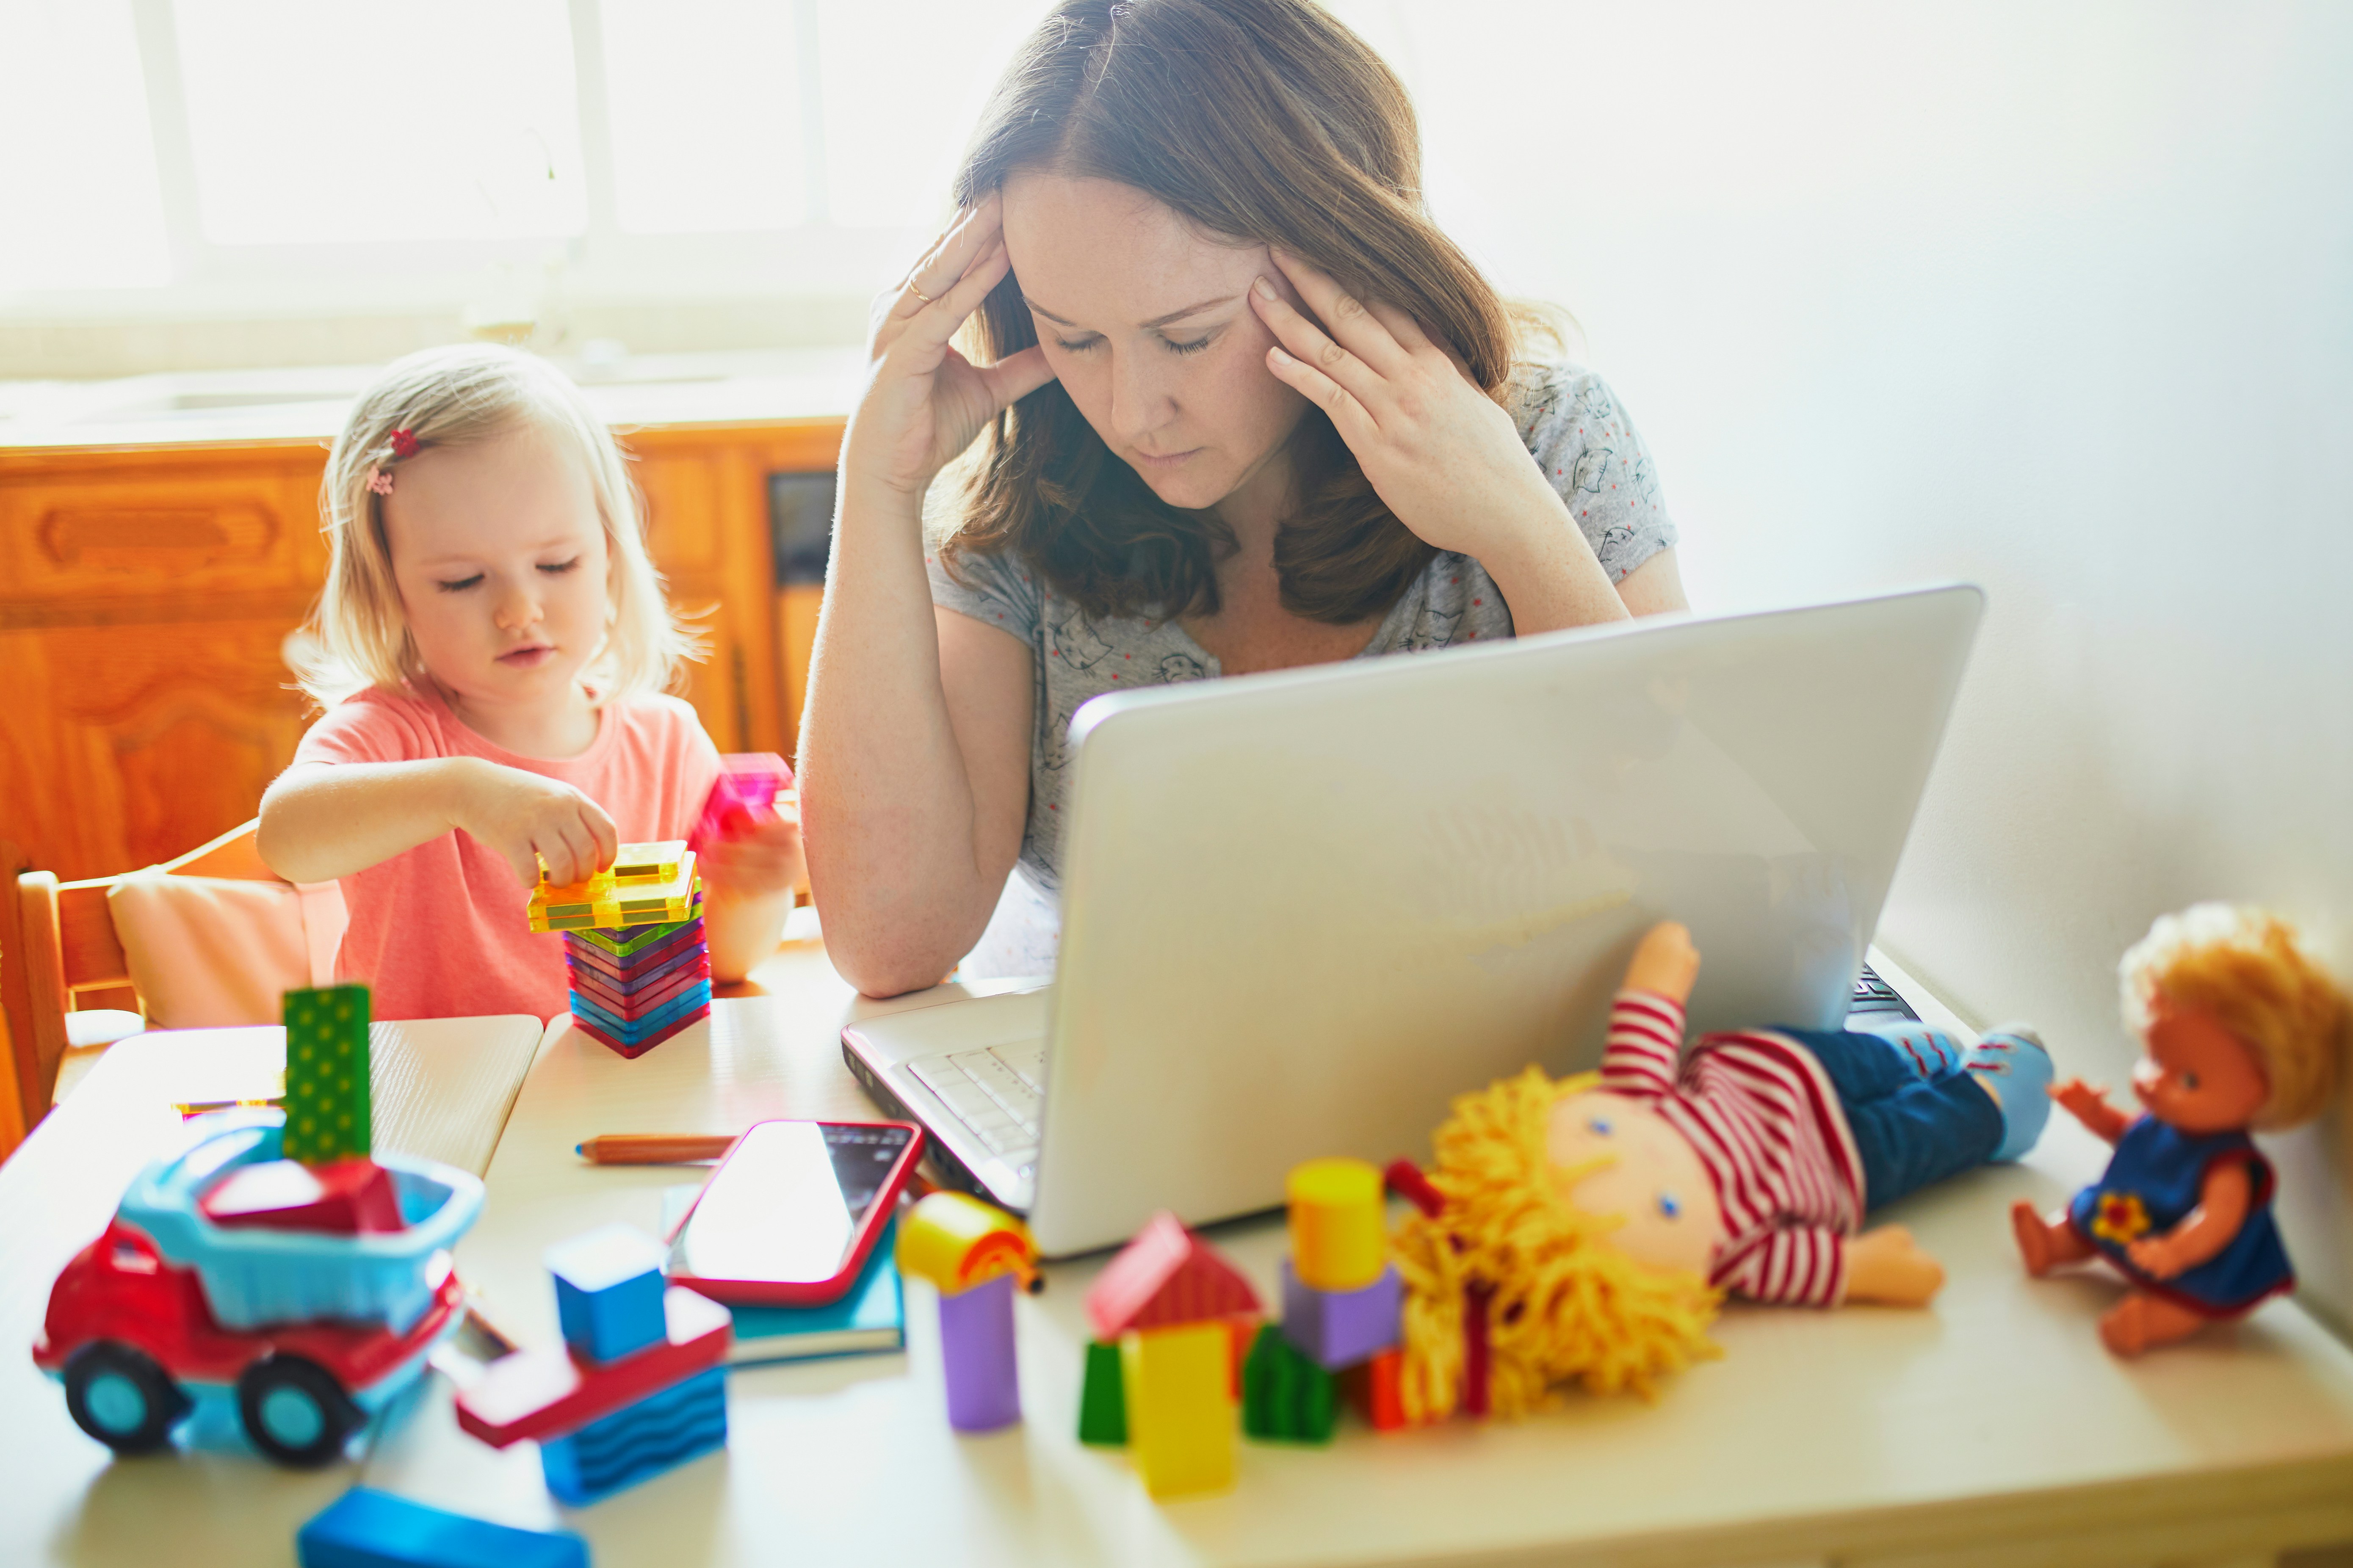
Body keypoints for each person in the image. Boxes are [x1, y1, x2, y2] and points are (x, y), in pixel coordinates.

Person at [800, 0, 1689, 995]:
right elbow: (889, 940)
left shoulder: (1550, 441)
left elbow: (1677, 884)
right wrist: (876, 487)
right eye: (1075, 338)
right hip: (1127, 1103)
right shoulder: (1022, 504)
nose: (1132, 411)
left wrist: (1512, 521)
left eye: (1187, 337)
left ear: (1343, 262)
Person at [257, 345, 803, 1021]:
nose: (519, 611)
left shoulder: (663, 743)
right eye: (462, 581)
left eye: (556, 564)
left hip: (614, 1089)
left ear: (608, 553)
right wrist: (462, 791)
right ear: (389, 592)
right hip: (446, 1107)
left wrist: (753, 889)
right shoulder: (390, 734)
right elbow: (286, 840)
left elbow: (723, 961)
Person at [1386, 921, 2056, 1419]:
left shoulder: (1634, 1097)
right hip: (1848, 1159)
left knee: (1871, 1058)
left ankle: (1913, 1057)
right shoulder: (1724, 1254)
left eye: (1595, 1130)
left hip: (1775, 1063)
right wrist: (1860, 1270)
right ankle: (1995, 1109)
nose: (1641, 1160)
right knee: (1929, 1131)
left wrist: (1656, 984)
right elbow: (1795, 1263)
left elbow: (1643, 1036)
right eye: (1663, 1211)